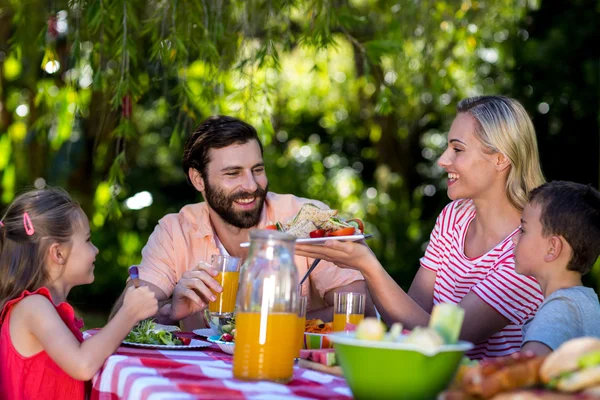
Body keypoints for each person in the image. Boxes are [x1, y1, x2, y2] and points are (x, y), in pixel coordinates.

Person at [297, 95, 546, 359]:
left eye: (457, 149)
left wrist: (367, 265)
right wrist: (361, 259)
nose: (442, 160)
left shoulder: (529, 247)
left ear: (500, 159)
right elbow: (406, 320)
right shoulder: (454, 217)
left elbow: (445, 340)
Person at [110, 115, 372, 329]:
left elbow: (361, 310)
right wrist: (170, 312)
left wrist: (261, 323)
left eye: (257, 170)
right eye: (233, 173)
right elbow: (119, 321)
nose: (251, 185)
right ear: (198, 179)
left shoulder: (304, 217)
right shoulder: (175, 230)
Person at [0, 188, 158, 399]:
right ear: (58, 253)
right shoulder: (32, 307)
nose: (96, 249)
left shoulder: (46, 308)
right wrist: (129, 312)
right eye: (87, 240)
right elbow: (83, 364)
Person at [514, 181, 600, 356]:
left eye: (523, 230)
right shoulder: (585, 301)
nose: (514, 240)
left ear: (552, 248)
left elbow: (528, 367)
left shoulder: (560, 307)